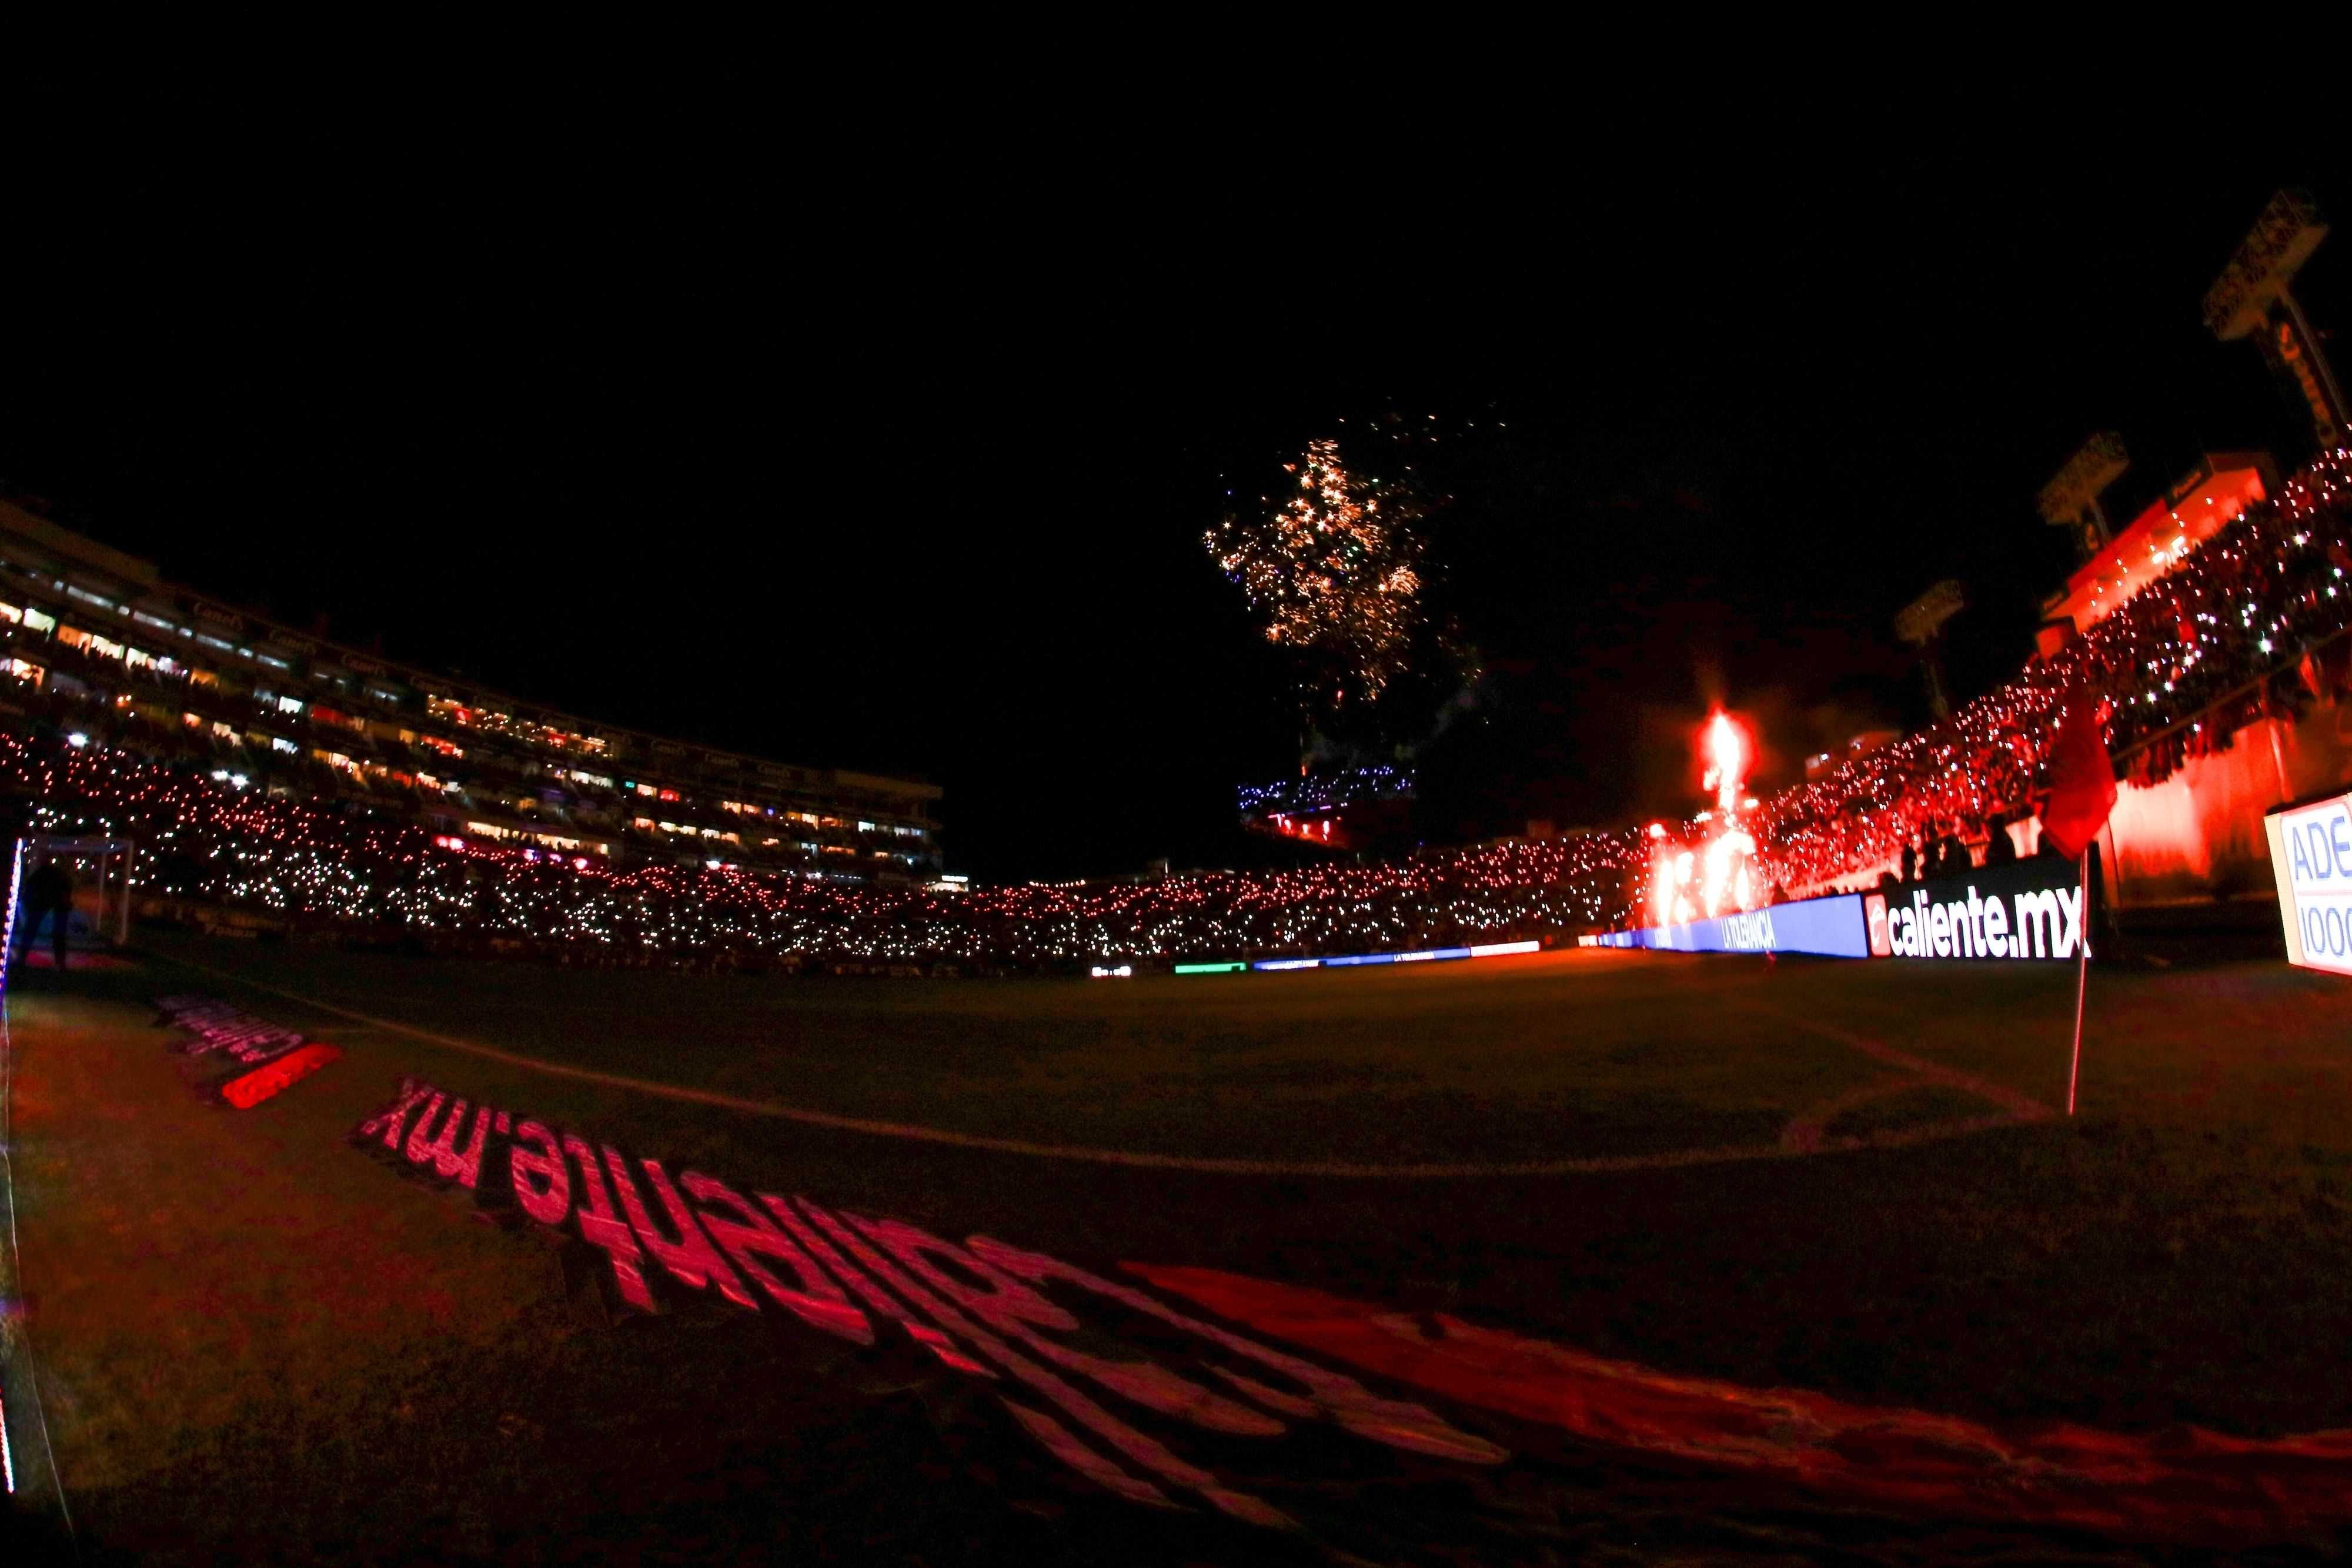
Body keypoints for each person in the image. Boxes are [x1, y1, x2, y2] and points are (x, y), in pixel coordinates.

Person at [21, 855, 74, 971]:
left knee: (32, 929)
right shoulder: (57, 875)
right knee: (57, 934)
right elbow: (66, 889)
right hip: (52, 903)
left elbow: (29, 889)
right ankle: (60, 963)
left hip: (46, 902)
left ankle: (22, 958)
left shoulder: (42, 874)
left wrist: (29, 904)